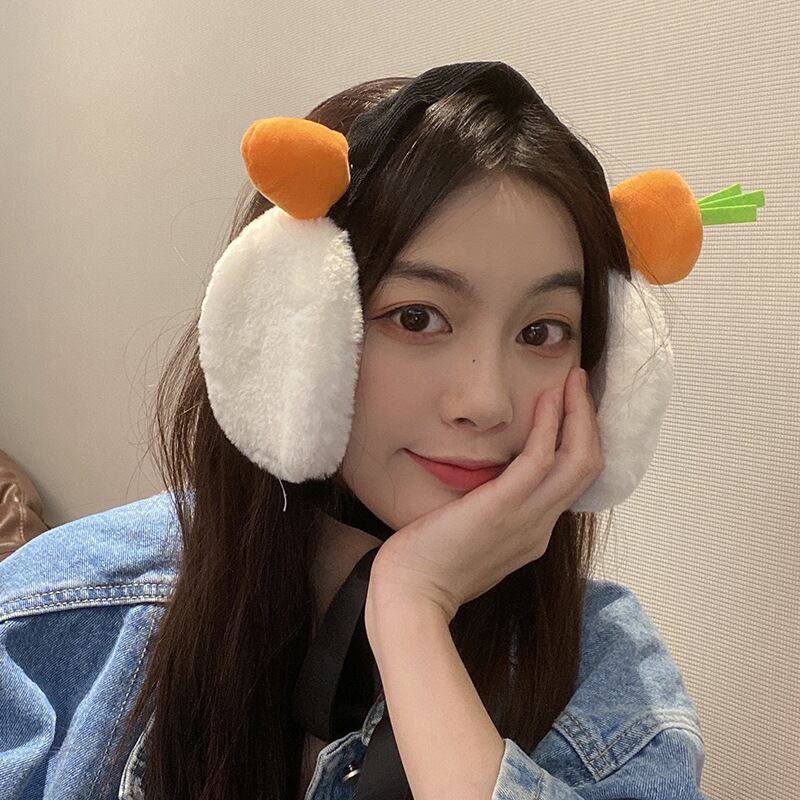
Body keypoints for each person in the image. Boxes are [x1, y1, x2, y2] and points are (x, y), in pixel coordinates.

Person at [0, 63, 709, 799]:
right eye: (417, 318)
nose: (486, 402)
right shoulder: (48, 619)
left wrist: (412, 607)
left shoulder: (616, 689)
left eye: (543, 331)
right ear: (290, 330)